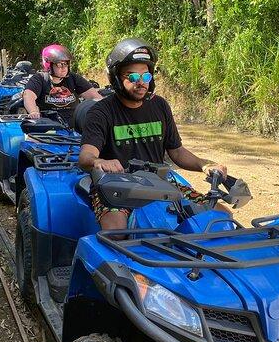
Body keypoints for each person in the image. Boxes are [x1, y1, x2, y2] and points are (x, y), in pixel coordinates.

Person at [79, 38, 228, 230]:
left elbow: (177, 152)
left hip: (159, 185)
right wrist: (98, 162)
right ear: (116, 78)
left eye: (146, 76)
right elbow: (85, 156)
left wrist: (205, 164)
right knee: (115, 230)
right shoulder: (101, 112)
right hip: (115, 187)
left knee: (221, 215)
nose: (141, 83)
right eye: (132, 77)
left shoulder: (160, 106)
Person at [23, 43, 103, 126]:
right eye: (59, 64)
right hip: (49, 127)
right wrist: (33, 111)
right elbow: (28, 96)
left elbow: (95, 97)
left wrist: (107, 110)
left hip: (74, 126)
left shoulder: (73, 78)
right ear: (49, 64)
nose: (64, 68)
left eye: (66, 64)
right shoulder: (40, 78)